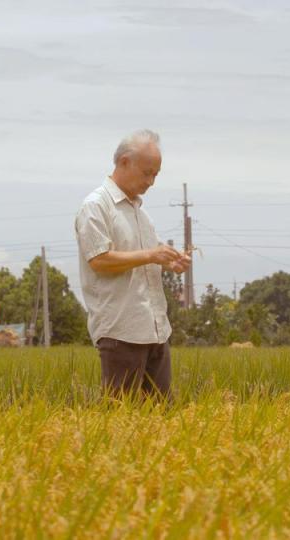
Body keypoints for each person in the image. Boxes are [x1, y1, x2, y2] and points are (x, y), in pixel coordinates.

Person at [74, 129, 191, 400]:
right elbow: (100, 260)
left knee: (162, 417)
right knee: (120, 420)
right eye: (147, 173)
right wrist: (152, 255)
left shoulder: (141, 213)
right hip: (120, 331)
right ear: (124, 162)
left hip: (155, 329)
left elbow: (147, 258)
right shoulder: (96, 207)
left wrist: (171, 263)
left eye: (156, 175)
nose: (151, 181)